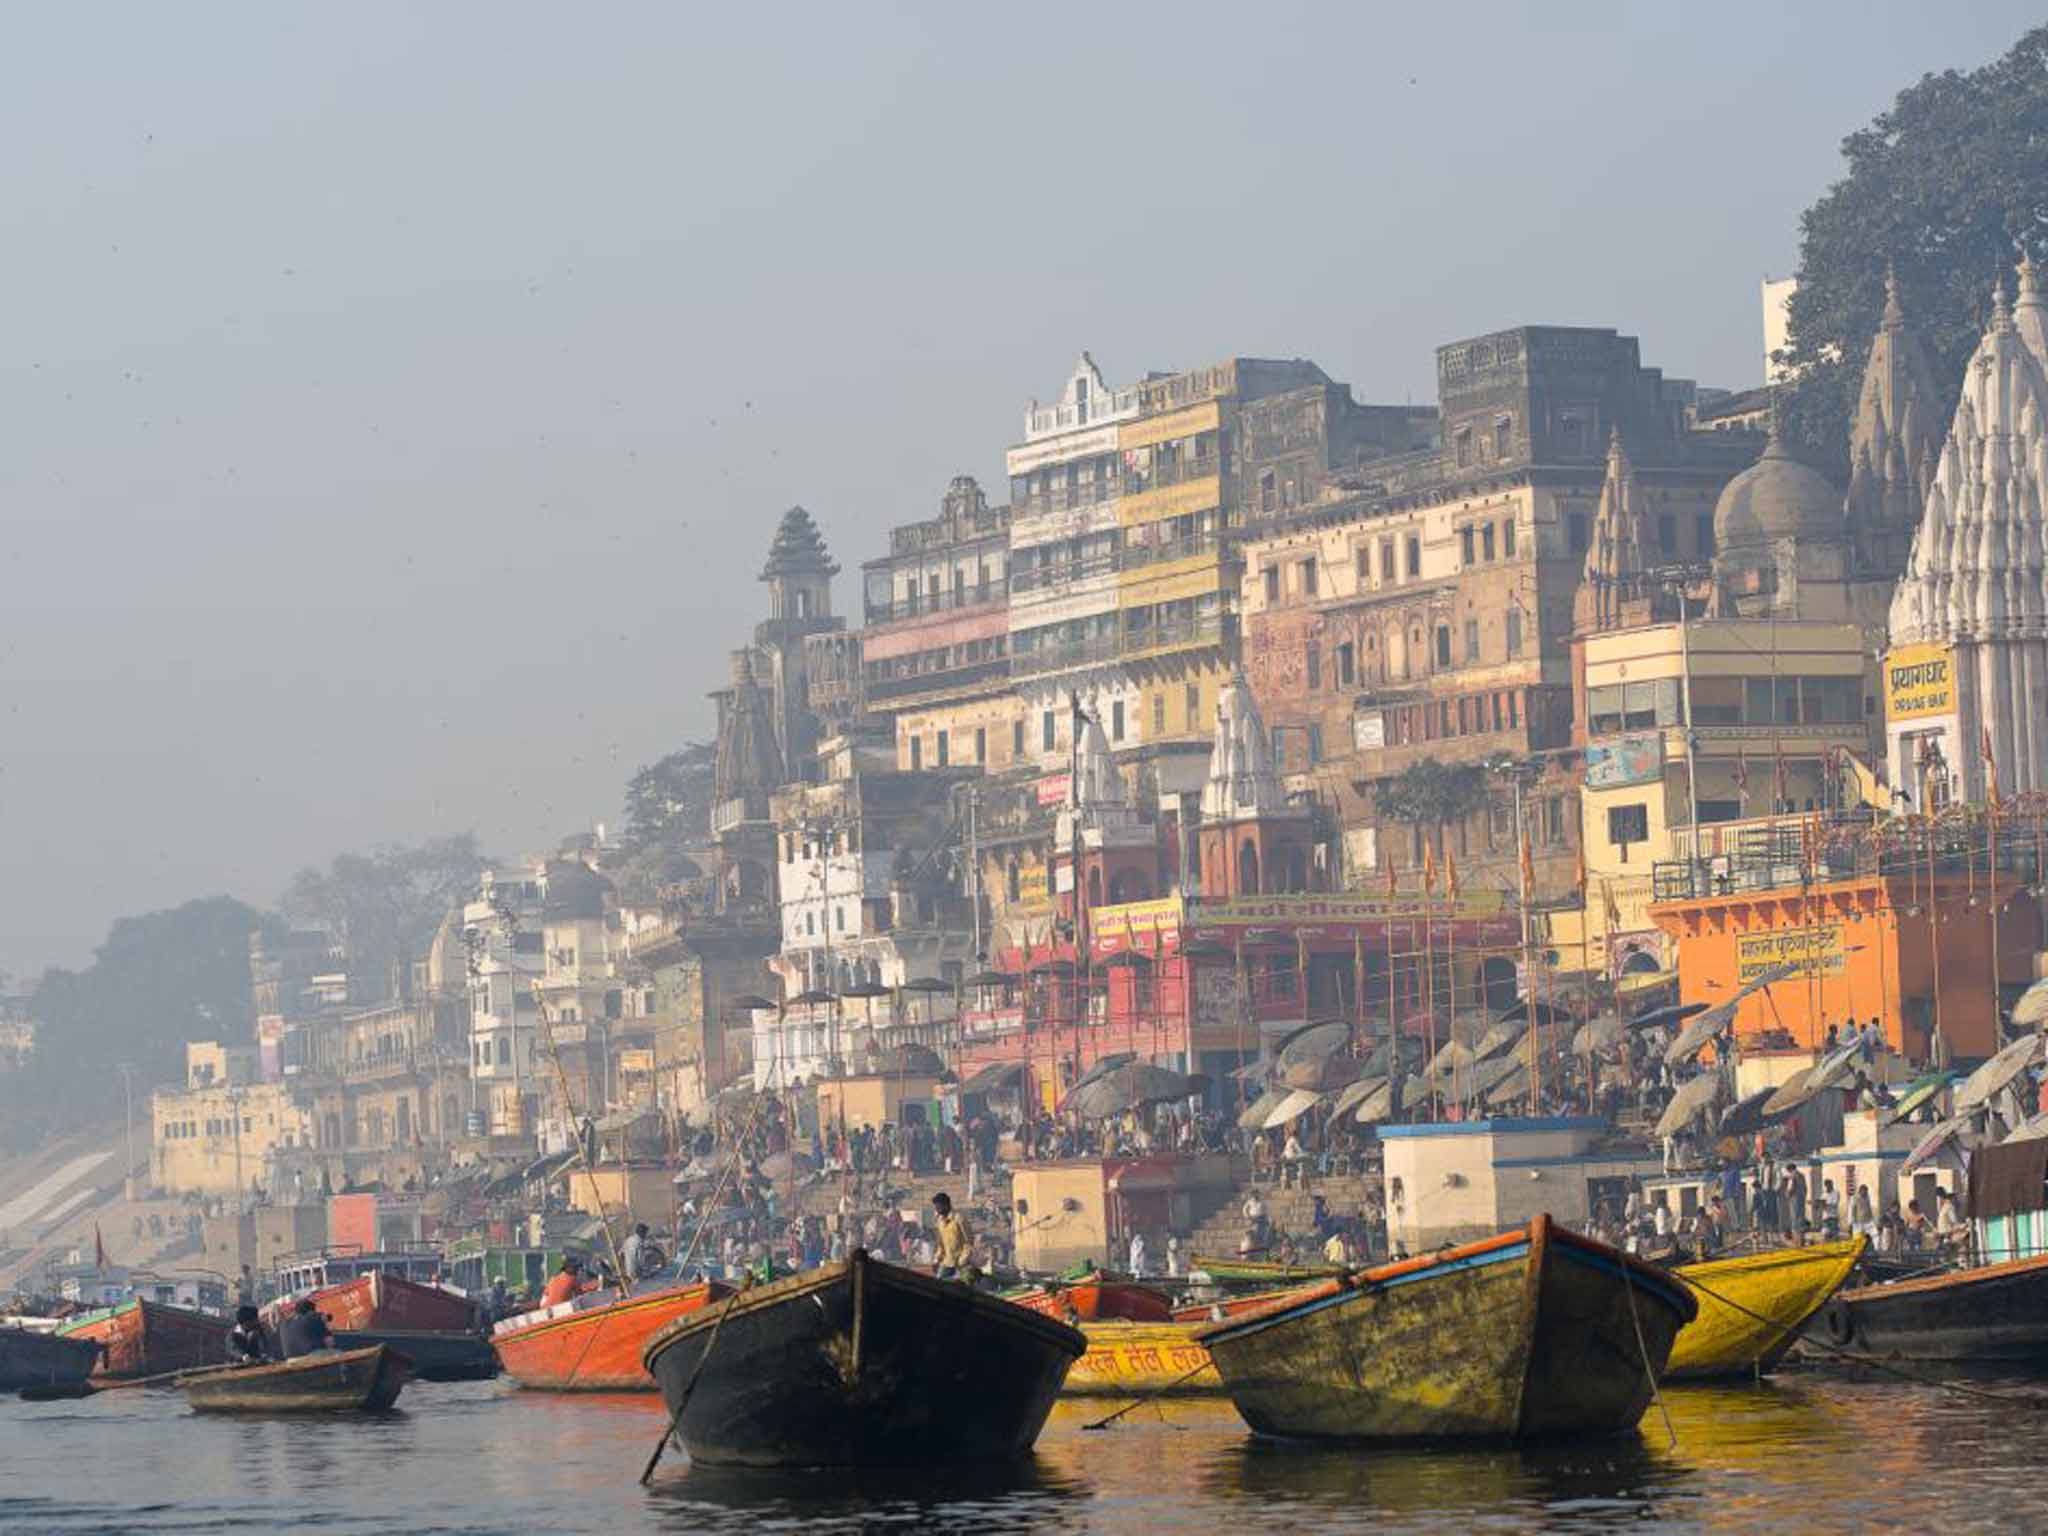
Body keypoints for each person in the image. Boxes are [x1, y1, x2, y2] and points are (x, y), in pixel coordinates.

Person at [932, 1192, 972, 1281]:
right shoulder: (940, 1221)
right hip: (947, 1262)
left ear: (946, 1205)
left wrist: (963, 1259)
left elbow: (969, 1242)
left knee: (959, 1285)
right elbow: (941, 1244)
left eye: (938, 1206)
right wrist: (936, 1259)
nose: (936, 1209)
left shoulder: (959, 1219)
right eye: (935, 1207)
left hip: (961, 1263)